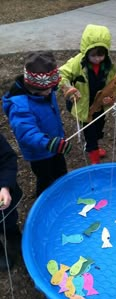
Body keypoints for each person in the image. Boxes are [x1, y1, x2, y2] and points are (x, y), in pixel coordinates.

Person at [2, 51, 71, 197]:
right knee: (45, 178)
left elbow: (53, 87)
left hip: (55, 142)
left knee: (61, 171)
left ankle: (63, 194)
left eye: (52, 88)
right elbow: (26, 133)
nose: (50, 92)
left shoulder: (45, 89)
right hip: (39, 152)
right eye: (46, 89)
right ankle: (43, 200)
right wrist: (47, 143)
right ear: (32, 86)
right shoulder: (20, 105)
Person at [59, 24, 116, 164]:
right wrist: (67, 87)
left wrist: (111, 98)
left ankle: (94, 147)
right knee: (90, 131)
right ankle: (94, 159)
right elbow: (61, 74)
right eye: (93, 55)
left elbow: (114, 83)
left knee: (98, 129)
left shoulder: (108, 66)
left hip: (99, 105)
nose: (97, 59)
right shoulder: (77, 63)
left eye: (101, 55)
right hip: (83, 105)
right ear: (86, 52)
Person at [0, 132, 23, 271]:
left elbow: (8, 159)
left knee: (9, 220)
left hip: (2, 198)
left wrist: (4, 186)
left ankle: (13, 237)